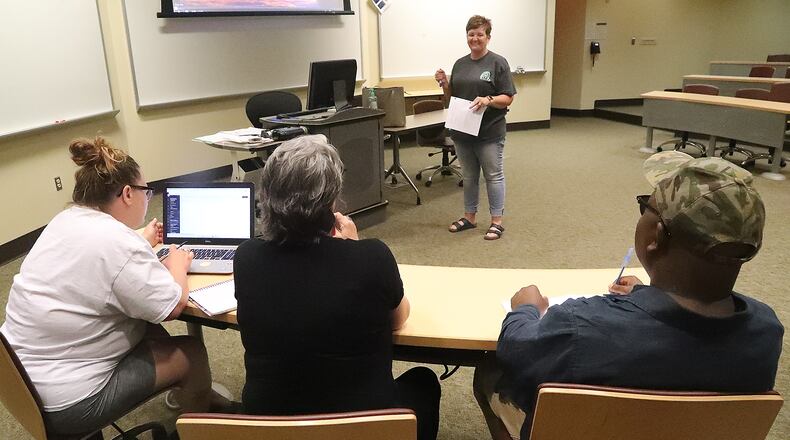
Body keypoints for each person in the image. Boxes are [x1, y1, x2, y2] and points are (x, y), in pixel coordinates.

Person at [474, 151, 784, 440]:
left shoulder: (579, 327)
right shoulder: (767, 332)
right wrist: (647, 295)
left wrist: (525, 309)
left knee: (488, 371)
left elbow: (516, 348)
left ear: (656, 236)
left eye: (646, 206)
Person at [0, 137, 227, 436]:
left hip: (21, 381)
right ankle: (200, 426)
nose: (149, 199)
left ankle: (196, 395)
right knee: (192, 353)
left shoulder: (65, 221)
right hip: (69, 403)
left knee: (141, 324)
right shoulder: (118, 244)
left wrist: (140, 243)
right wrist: (177, 265)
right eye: (147, 192)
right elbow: (171, 307)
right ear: (128, 194)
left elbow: (96, 264)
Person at [234, 134, 441, 440]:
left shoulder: (247, 257)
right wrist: (354, 247)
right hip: (365, 428)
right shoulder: (371, 256)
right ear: (331, 199)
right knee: (424, 380)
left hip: (274, 427)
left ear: (267, 195)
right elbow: (398, 318)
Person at [435, 15, 516, 240]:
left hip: (489, 131)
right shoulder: (460, 64)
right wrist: (445, 85)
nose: (475, 38)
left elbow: (508, 98)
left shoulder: (498, 63)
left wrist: (488, 99)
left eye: (480, 34)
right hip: (462, 131)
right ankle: (469, 218)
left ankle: (496, 222)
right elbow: (451, 99)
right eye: (471, 34)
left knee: (493, 175)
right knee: (469, 177)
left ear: (488, 37)